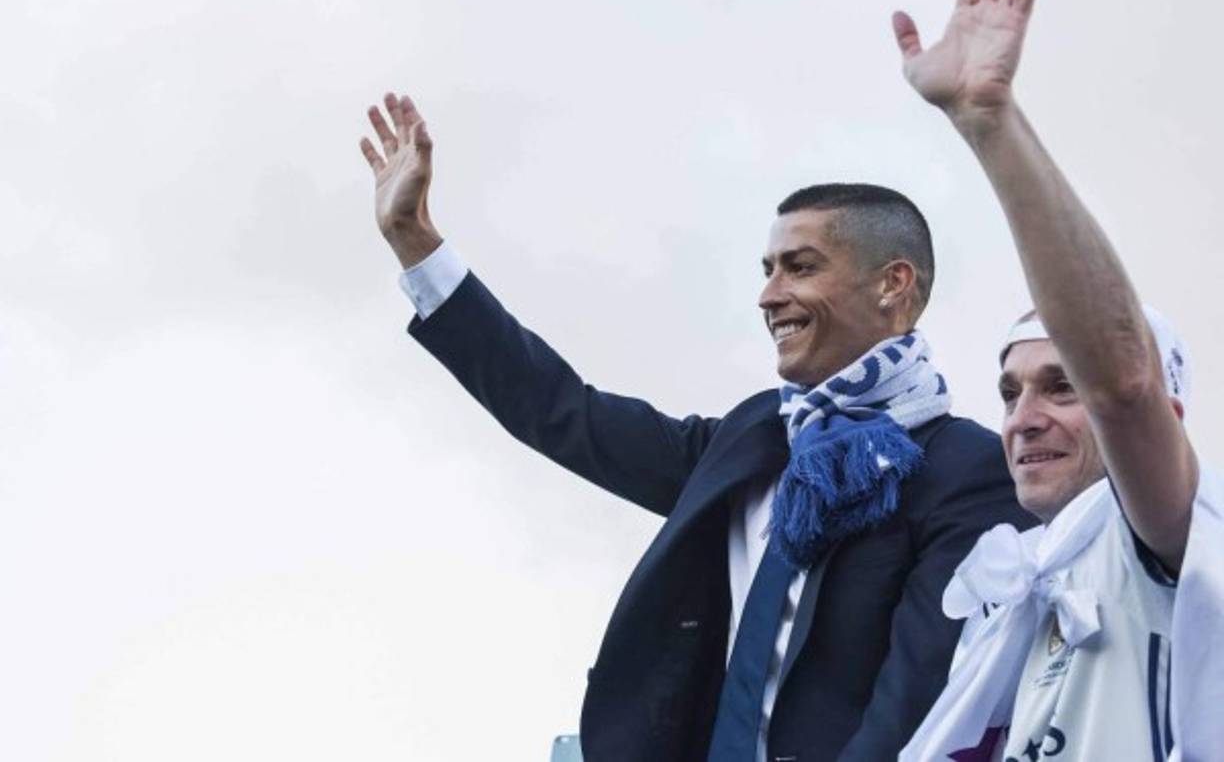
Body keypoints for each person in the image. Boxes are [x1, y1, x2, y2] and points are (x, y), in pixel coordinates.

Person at [356, 95, 1032, 761]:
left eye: (801, 267)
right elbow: (562, 411)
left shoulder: (969, 470)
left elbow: (921, 705)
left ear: (893, 283)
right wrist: (417, 243)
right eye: (768, 270)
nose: (770, 295)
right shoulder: (753, 437)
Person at [892, 0, 1224, 760]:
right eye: (1011, 392)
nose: (1022, 418)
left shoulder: (1165, 540)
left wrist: (990, 123)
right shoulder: (1012, 589)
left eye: (1062, 385)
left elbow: (1125, 388)